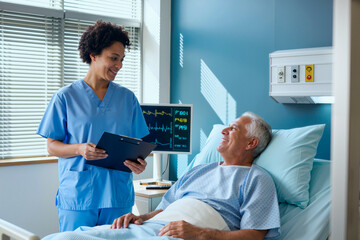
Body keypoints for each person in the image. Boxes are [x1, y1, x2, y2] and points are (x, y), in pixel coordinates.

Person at [37, 20, 149, 232]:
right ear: (93, 55)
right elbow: (52, 146)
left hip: (117, 196)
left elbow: (137, 146)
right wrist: (79, 149)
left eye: (122, 59)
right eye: (113, 58)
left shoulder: (127, 99)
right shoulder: (65, 97)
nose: (119, 65)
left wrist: (140, 164)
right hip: (79, 197)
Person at [110, 112, 281, 240]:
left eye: (233, 128)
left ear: (251, 143)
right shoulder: (198, 170)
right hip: (151, 227)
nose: (224, 131)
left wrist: (200, 233)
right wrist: (139, 217)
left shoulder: (257, 178)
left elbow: (255, 234)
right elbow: (164, 209)